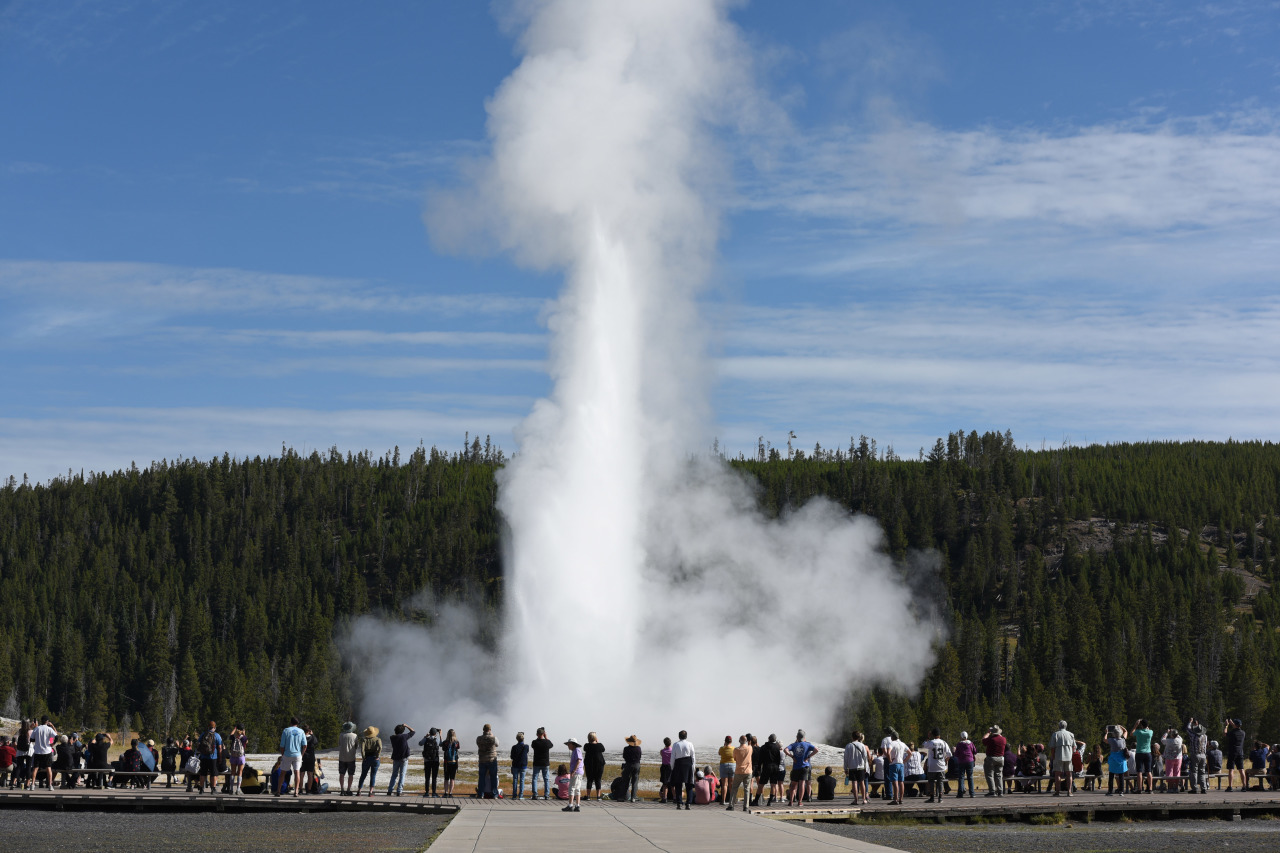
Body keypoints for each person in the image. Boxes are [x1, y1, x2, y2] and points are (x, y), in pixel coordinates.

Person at [786, 729, 817, 806]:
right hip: (804, 767)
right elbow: (816, 750)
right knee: (802, 784)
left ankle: (791, 801)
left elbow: (785, 749)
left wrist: (792, 756)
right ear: (804, 737)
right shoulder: (807, 744)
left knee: (793, 785)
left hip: (796, 767)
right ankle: (800, 802)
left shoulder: (793, 745)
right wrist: (808, 757)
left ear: (797, 737)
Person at [881, 727, 910, 805]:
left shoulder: (891, 743)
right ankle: (901, 799)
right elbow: (910, 753)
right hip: (901, 764)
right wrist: (904, 761)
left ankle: (895, 799)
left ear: (892, 737)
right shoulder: (902, 743)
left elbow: (888, 751)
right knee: (901, 782)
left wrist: (890, 759)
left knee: (895, 782)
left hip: (894, 764)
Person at [922, 729, 952, 804]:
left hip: (932, 766)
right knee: (940, 782)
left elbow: (924, 744)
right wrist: (945, 761)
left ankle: (932, 797)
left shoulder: (931, 742)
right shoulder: (944, 742)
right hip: (941, 766)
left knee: (931, 781)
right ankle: (940, 797)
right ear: (939, 735)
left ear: (933, 735)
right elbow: (949, 754)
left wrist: (928, 737)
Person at [279, 717, 306, 798]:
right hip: (297, 754)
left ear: (290, 723)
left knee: (283, 772)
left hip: (287, 753)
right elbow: (305, 745)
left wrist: (283, 754)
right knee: (297, 772)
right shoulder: (301, 731)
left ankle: (278, 791)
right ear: (297, 723)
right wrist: (302, 754)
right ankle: (296, 791)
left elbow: (282, 745)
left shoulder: (286, 730)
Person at [1048, 721, 1076, 797]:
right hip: (1069, 756)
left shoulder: (1055, 734)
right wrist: (1072, 754)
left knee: (1057, 774)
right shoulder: (1071, 734)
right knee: (1069, 774)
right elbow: (1074, 747)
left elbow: (1052, 747)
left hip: (1058, 756)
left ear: (1059, 726)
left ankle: (1057, 791)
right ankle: (1069, 791)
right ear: (1066, 726)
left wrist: (1053, 756)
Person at [670, 730, 696, 810]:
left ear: (679, 736)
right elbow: (693, 756)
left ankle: (679, 803)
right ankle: (688, 803)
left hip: (678, 764)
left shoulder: (675, 744)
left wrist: (672, 767)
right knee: (689, 785)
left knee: (678, 785)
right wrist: (693, 767)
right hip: (688, 764)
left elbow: (673, 757)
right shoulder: (690, 744)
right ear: (686, 736)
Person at [844, 731, 871, 805]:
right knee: (862, 782)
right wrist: (866, 767)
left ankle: (855, 800)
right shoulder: (862, 745)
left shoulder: (848, 746)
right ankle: (864, 799)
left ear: (852, 737)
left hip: (852, 767)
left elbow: (845, 758)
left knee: (854, 783)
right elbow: (865, 757)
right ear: (859, 737)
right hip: (861, 767)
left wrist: (845, 768)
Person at [387, 723, 415, 796]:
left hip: (395, 758)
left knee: (394, 775)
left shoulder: (392, 737)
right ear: (402, 731)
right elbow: (413, 732)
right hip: (404, 758)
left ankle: (390, 790)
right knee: (402, 775)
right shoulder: (404, 736)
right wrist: (406, 725)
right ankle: (399, 791)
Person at [31, 716, 57, 791]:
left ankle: (32, 785)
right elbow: (56, 736)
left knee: (35, 768)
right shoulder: (49, 729)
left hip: (38, 751)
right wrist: (52, 744)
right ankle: (50, 785)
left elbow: (31, 739)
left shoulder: (37, 728)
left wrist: (38, 739)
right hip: (47, 751)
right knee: (48, 768)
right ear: (47, 721)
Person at [727, 734, 751, 812]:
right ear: (746, 741)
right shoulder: (749, 748)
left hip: (738, 771)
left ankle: (731, 805)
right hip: (748, 771)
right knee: (746, 789)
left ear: (739, 741)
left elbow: (734, 758)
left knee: (734, 788)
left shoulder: (736, 750)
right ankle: (746, 806)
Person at [197, 720, 222, 796]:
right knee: (213, 774)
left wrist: (201, 752)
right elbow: (220, 747)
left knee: (203, 773)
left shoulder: (203, 734)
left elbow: (198, 744)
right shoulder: (217, 735)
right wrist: (220, 757)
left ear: (208, 727)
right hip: (213, 757)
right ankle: (213, 789)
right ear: (214, 727)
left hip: (204, 757)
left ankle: (201, 789)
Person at [1185, 718, 1209, 795]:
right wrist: (1196, 725)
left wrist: (1190, 722)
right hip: (1203, 755)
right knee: (1202, 772)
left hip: (1195, 754)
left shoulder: (1193, 736)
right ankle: (1203, 788)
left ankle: (1194, 788)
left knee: (1194, 771)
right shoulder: (1205, 736)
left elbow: (1188, 729)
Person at [357, 725, 382, 797]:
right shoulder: (378, 739)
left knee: (363, 775)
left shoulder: (364, 740)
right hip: (375, 758)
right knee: (373, 775)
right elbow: (380, 747)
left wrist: (363, 757)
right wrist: (377, 756)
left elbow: (362, 750)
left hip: (366, 758)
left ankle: (359, 791)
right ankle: (370, 792)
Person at [476, 723, 499, 799]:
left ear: (483, 729)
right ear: (490, 730)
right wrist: (492, 735)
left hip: (482, 760)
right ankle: (494, 794)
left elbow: (478, 744)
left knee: (482, 777)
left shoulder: (479, 738)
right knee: (493, 777)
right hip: (492, 760)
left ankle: (481, 794)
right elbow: (497, 744)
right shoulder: (493, 738)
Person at [982, 725, 1006, 797]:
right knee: (999, 775)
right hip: (1000, 758)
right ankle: (1000, 791)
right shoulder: (1003, 739)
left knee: (990, 775)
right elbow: (1000, 737)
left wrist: (988, 733)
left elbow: (983, 740)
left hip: (991, 758)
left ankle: (992, 791)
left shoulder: (991, 739)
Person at [1105, 724, 1129, 796]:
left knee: (1111, 776)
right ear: (1120, 733)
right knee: (1121, 776)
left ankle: (1110, 791)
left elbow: (1104, 739)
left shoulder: (1111, 740)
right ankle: (1121, 791)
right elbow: (1126, 731)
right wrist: (1120, 726)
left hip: (1113, 760)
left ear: (1113, 733)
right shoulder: (1123, 740)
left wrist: (1106, 733)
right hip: (1121, 760)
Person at [1224, 718, 1247, 791]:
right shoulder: (1243, 733)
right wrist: (1232, 724)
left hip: (1232, 752)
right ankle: (1244, 786)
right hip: (1240, 752)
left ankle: (1230, 786)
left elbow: (1225, 733)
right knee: (1241, 770)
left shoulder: (1232, 733)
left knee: (1231, 769)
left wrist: (1226, 726)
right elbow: (1236, 727)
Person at [223, 724, 247, 794]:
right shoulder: (243, 737)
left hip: (233, 756)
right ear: (243, 730)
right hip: (240, 756)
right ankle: (238, 789)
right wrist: (244, 733)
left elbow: (231, 734)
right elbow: (246, 742)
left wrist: (235, 729)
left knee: (233, 772)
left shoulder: (233, 737)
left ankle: (231, 789)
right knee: (240, 772)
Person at [530, 727, 553, 800]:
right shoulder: (547, 742)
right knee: (546, 779)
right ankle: (547, 795)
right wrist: (546, 737)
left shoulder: (534, 742)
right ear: (543, 734)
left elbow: (533, 746)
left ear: (537, 734)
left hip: (537, 763)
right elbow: (551, 745)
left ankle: (535, 794)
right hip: (545, 763)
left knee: (535, 779)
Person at [952, 731, 977, 799]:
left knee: (961, 777)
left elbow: (956, 754)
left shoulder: (959, 744)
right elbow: (975, 751)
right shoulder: (970, 743)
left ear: (961, 737)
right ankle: (972, 793)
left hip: (961, 762)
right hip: (970, 761)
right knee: (970, 777)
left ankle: (960, 794)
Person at [418, 727, 441, 797]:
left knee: (427, 777)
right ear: (435, 734)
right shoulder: (436, 739)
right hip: (435, 760)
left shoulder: (426, 739)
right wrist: (440, 735)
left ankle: (427, 792)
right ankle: (434, 793)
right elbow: (441, 744)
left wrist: (425, 736)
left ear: (429, 733)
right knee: (434, 777)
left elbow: (420, 743)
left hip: (427, 760)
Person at [564, 736, 585, 812]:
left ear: (573, 744)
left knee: (572, 788)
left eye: (569, 744)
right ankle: (577, 806)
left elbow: (579, 760)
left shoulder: (576, 750)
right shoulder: (575, 750)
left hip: (576, 772)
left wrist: (573, 770)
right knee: (577, 789)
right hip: (579, 772)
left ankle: (570, 805)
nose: (568, 746)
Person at [338, 721, 359, 796]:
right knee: (351, 774)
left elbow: (339, 744)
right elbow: (356, 746)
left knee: (341, 774)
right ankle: (348, 790)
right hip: (351, 758)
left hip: (342, 757)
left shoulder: (341, 735)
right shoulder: (355, 736)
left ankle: (342, 790)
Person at [584, 732, 606, 801]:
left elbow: (585, 749)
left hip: (589, 764)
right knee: (598, 780)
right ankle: (598, 796)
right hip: (599, 765)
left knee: (589, 780)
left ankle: (588, 796)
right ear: (595, 738)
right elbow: (603, 749)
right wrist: (597, 742)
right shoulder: (600, 745)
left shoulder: (586, 746)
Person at [1162, 728, 1184, 793]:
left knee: (1169, 772)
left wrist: (1167, 732)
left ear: (1171, 735)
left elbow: (1162, 740)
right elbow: (1179, 737)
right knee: (1177, 772)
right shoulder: (1180, 740)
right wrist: (1176, 733)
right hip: (1178, 758)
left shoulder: (1168, 741)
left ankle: (1170, 788)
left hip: (1169, 758)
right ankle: (1176, 787)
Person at [623, 735, 643, 803]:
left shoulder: (626, 748)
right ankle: (633, 797)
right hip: (637, 765)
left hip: (628, 764)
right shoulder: (639, 748)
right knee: (635, 781)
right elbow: (640, 756)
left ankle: (625, 796)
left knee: (626, 780)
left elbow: (624, 757)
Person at [301, 725, 319, 795]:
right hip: (311, 757)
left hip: (302, 757)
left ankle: (300, 789)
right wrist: (312, 734)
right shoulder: (312, 738)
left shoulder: (301, 737)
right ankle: (308, 790)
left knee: (301, 774)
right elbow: (316, 742)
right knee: (310, 774)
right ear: (309, 731)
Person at [511, 731, 529, 799]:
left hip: (515, 765)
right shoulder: (526, 746)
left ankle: (514, 795)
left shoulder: (514, 747)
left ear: (516, 739)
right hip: (523, 765)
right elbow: (526, 752)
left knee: (515, 780)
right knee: (522, 780)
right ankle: (521, 795)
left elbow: (511, 757)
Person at [718, 735, 735, 805]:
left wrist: (724, 746)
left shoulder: (721, 748)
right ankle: (731, 801)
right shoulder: (734, 749)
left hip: (723, 765)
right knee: (731, 784)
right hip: (732, 765)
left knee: (724, 785)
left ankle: (723, 800)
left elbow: (719, 753)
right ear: (731, 741)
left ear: (725, 741)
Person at [442, 728, 460, 796]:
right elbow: (458, 748)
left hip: (446, 762)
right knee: (452, 778)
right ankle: (451, 793)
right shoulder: (457, 742)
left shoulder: (445, 742)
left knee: (446, 778)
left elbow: (443, 749)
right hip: (454, 762)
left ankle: (445, 792)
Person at [659, 737, 673, 803]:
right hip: (670, 767)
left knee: (665, 784)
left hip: (664, 767)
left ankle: (664, 798)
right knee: (672, 783)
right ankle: (675, 797)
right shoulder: (672, 750)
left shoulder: (662, 751)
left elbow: (661, 754)